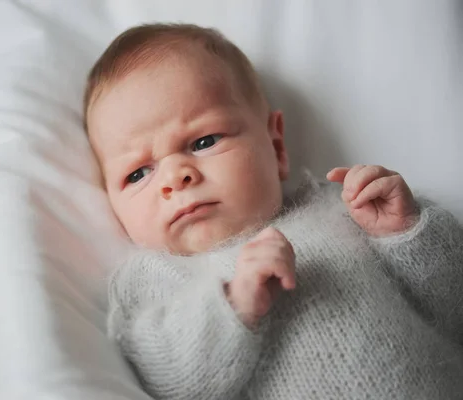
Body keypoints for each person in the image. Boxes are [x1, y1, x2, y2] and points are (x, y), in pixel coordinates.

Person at [83, 23, 463, 399]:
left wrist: (407, 232)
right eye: (138, 173)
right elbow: (164, 376)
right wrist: (232, 303)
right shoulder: (153, 278)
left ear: (276, 145)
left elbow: (453, 305)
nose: (174, 177)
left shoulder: (345, 210)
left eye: (203, 141)